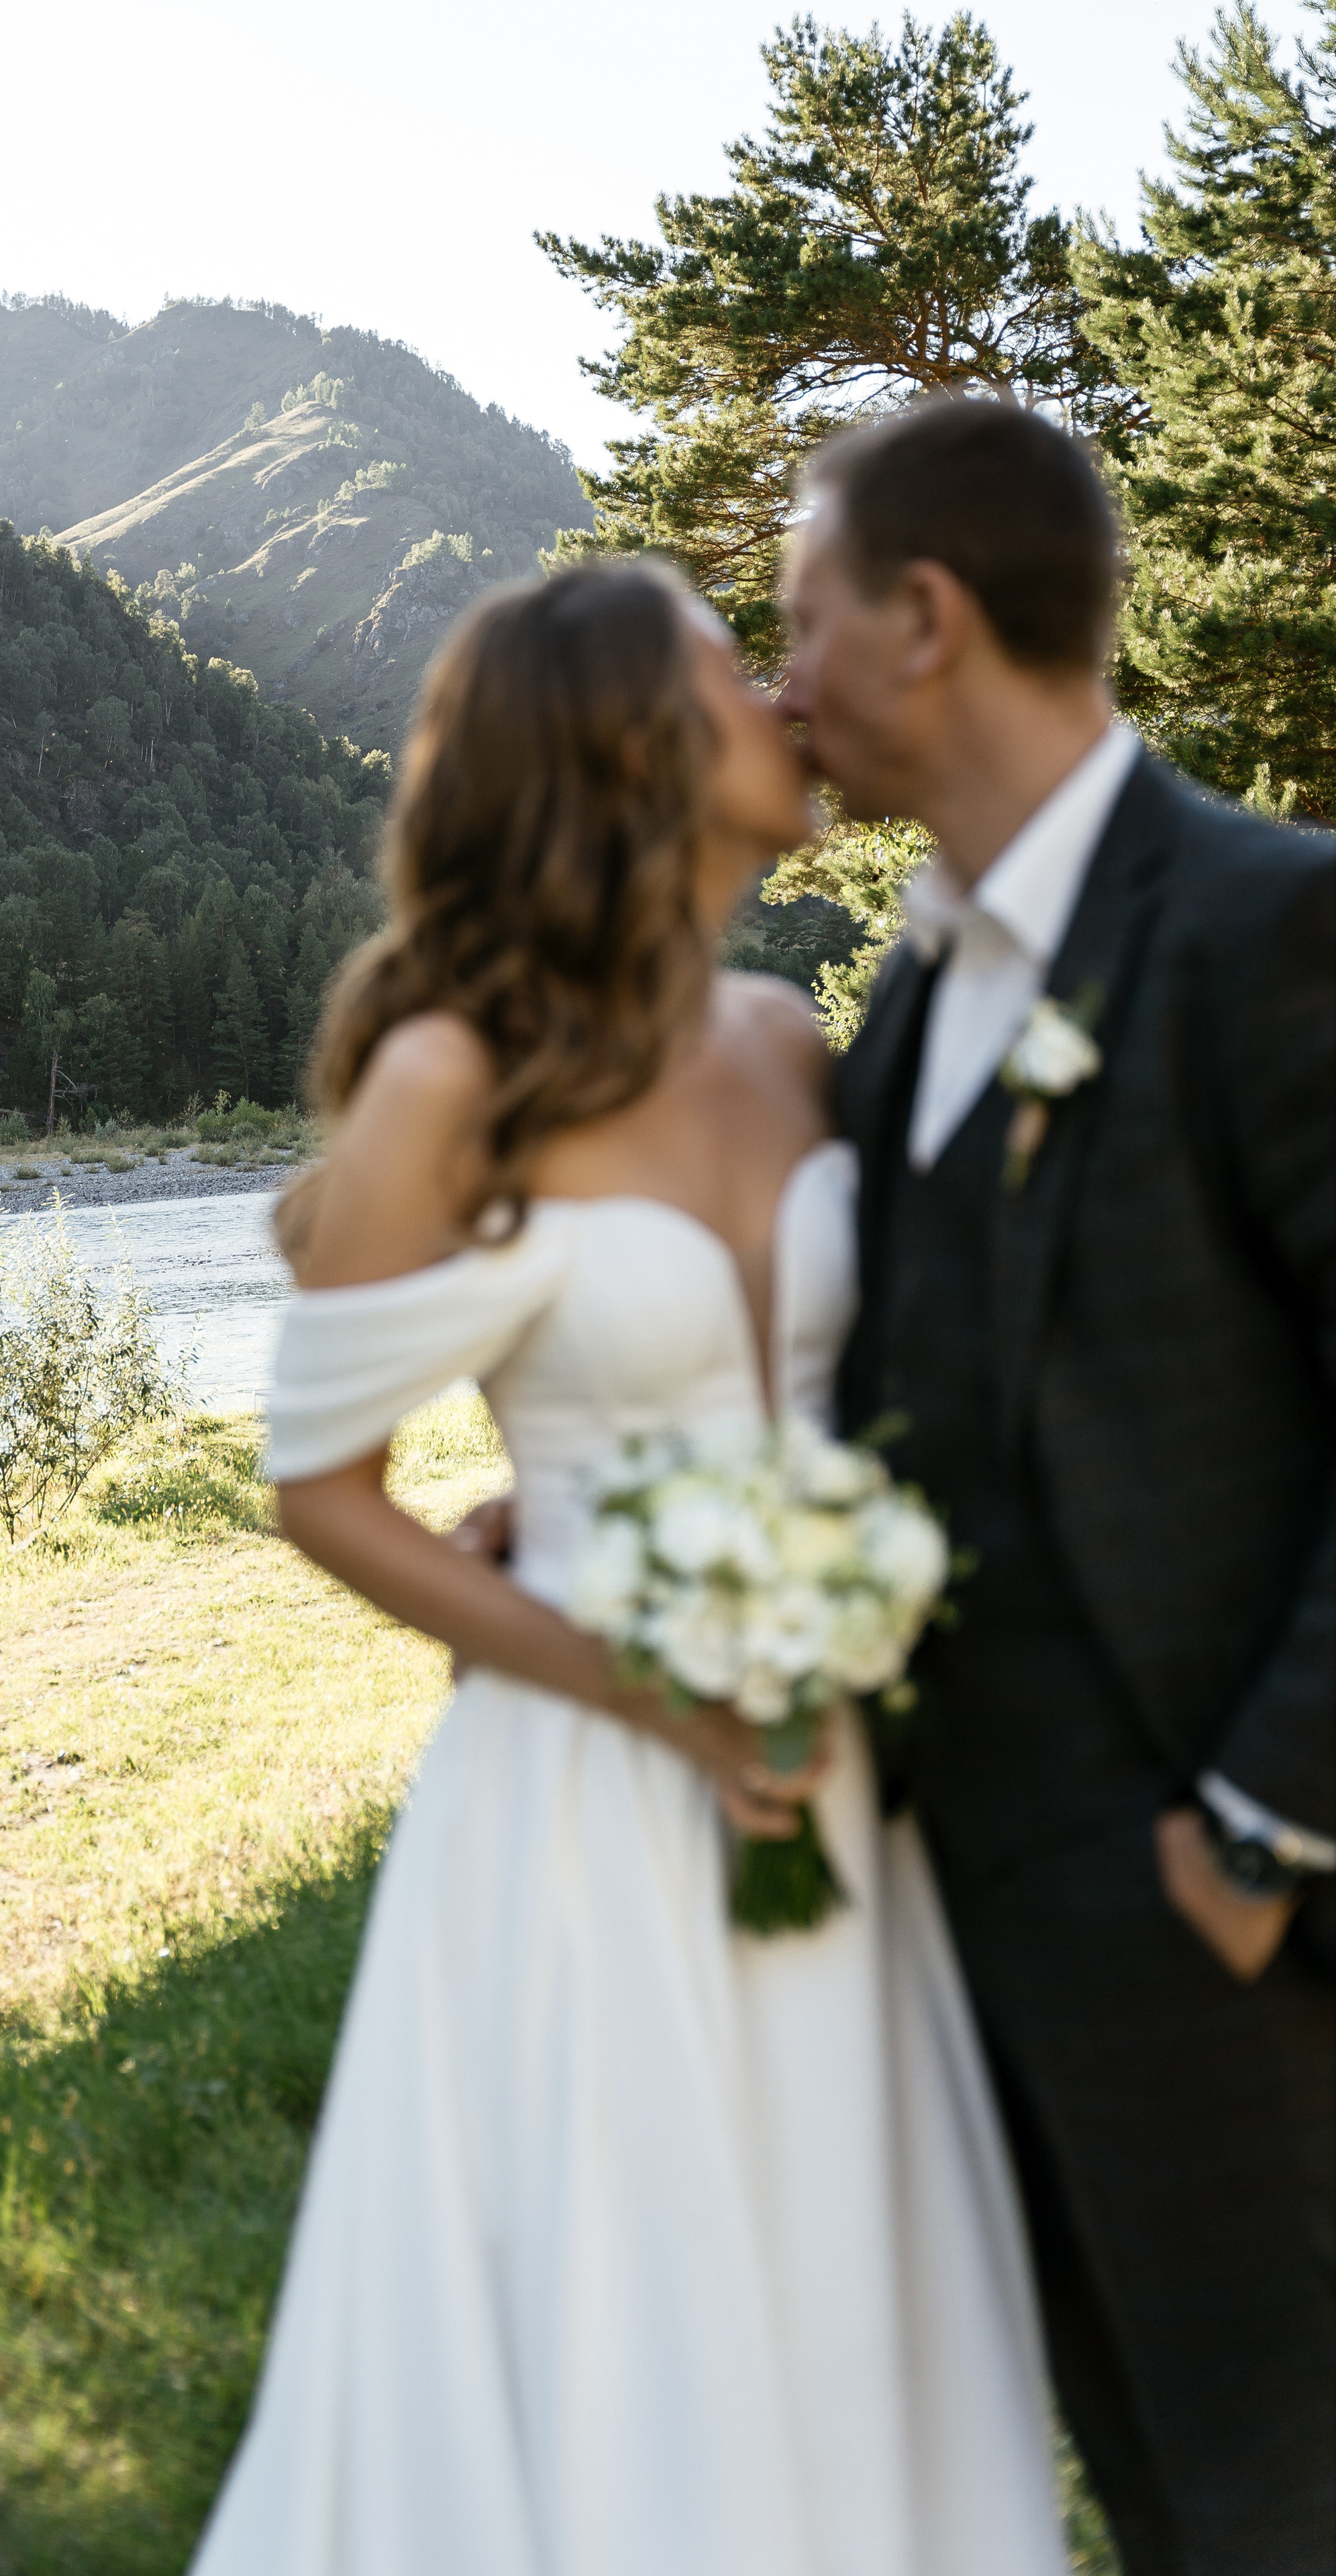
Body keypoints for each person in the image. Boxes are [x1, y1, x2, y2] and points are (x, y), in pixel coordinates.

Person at [188, 560, 1067, 2575]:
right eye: (723, 669)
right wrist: (639, 1678)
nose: (779, 691)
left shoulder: (789, 1039)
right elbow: (323, 1490)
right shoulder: (454, 1080)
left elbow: (892, 1378)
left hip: (840, 1773)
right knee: (627, 2318)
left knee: (851, 2312)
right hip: (594, 1795)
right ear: (627, 750)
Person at [777, 395, 1335, 2576]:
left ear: (929, 619)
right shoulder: (917, 989)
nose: (782, 679)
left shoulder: (1268, 926)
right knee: (1164, 2492)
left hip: (1230, 1930)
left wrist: (1268, 1828)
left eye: (807, 620)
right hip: (969, 1925)